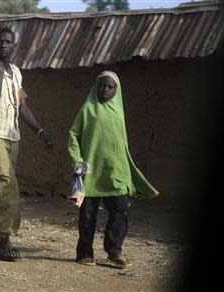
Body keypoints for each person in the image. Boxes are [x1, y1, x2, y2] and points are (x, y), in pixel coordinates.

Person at [0, 27, 54, 261]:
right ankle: (5, 241)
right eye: (0, 41)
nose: (4, 45)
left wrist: (41, 132)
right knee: (7, 183)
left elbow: (23, 107)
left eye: (9, 42)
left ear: (14, 45)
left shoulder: (16, 72)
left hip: (12, 136)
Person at [68, 71, 159, 268]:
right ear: (96, 87)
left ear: (116, 90)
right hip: (90, 172)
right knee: (87, 215)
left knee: (120, 209)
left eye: (110, 87)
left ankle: (114, 251)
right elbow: (73, 134)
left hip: (115, 171)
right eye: (102, 85)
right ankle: (84, 253)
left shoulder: (118, 110)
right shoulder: (87, 110)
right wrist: (78, 161)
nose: (106, 90)